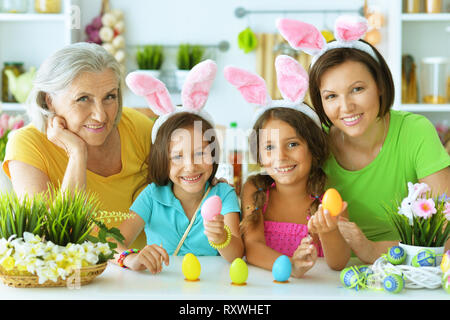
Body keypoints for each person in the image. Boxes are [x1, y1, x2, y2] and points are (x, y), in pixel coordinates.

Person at [278, 15, 450, 263]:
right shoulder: (316, 144)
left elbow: (443, 234)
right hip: (333, 273)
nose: (346, 107)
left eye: (357, 89)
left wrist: (371, 249)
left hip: (412, 268)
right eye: (331, 96)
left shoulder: (415, 131)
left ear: (379, 85)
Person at [3, 42, 153, 248]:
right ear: (49, 101)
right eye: (83, 99)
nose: (101, 115)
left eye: (110, 96)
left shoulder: (139, 128)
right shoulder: (28, 145)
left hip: (149, 275)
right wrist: (77, 154)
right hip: (74, 276)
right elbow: (51, 239)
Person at [224, 55, 350, 278]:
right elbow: (252, 248)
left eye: (292, 144)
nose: (280, 157)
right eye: (269, 147)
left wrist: (329, 230)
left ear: (313, 147)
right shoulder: (255, 189)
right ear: (259, 154)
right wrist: (291, 266)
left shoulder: (327, 197)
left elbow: (339, 263)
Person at [113, 60, 244, 273]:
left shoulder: (223, 193)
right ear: (162, 161)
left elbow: (236, 254)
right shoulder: (152, 196)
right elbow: (113, 243)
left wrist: (222, 238)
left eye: (200, 153)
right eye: (177, 157)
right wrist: (130, 258)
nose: (190, 166)